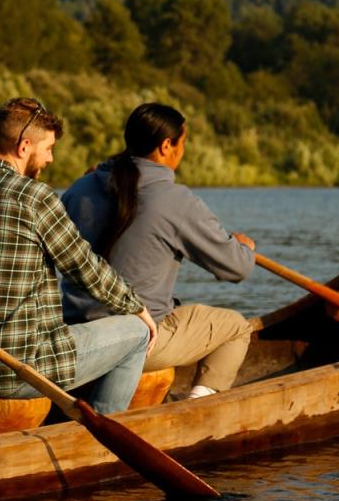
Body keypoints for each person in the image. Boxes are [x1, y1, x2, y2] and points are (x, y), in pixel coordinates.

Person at [0, 97, 156, 414]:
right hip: (22, 365)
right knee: (136, 333)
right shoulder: (33, 196)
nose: (51, 158)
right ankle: (98, 440)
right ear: (24, 146)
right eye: (48, 148)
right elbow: (83, 266)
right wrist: (137, 307)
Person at [61, 102, 255, 399]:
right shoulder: (174, 200)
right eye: (183, 143)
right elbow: (237, 268)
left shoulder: (81, 188)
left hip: (75, 332)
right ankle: (198, 406)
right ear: (167, 145)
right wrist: (244, 248)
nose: (183, 151)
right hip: (141, 338)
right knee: (237, 327)